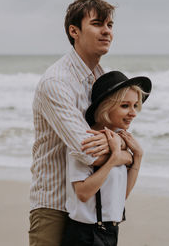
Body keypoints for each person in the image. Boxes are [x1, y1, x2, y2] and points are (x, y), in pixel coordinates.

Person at [29, 0, 132, 246]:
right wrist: (123, 150)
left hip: (91, 208)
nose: (106, 31)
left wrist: (124, 150)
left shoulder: (104, 79)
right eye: (97, 24)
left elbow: (125, 135)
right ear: (74, 31)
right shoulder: (56, 82)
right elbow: (89, 153)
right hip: (55, 205)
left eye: (110, 25)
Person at [61, 71, 152, 246]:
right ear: (106, 107)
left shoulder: (121, 139)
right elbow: (83, 193)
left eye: (135, 105)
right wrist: (114, 159)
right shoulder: (87, 140)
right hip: (85, 235)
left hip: (110, 232)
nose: (133, 113)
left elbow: (121, 195)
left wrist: (137, 157)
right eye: (125, 106)